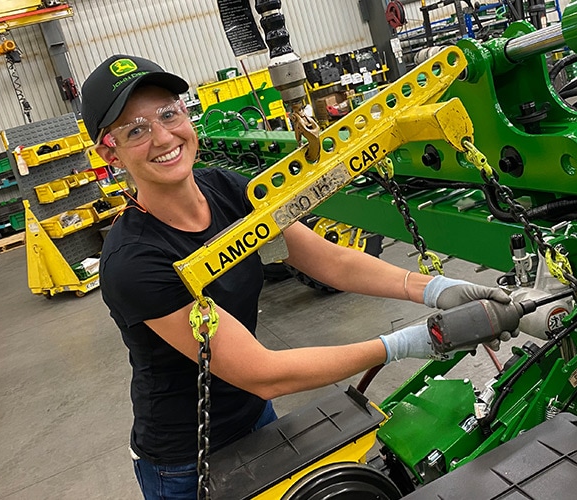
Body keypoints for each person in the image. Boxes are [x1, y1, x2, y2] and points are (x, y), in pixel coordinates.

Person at [81, 54, 510, 500]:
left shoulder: (225, 189)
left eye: (169, 113)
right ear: (109, 152)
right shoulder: (133, 260)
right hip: (187, 462)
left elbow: (328, 261)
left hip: (257, 420)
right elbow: (262, 372)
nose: (163, 136)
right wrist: (406, 343)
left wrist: (435, 289)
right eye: (136, 130)